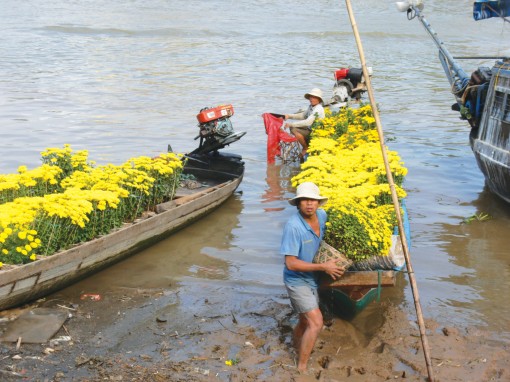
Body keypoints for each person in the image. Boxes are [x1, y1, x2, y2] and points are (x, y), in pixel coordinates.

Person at [280, 182, 345, 372]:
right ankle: (301, 367)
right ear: (298, 203)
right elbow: (290, 263)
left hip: (313, 277)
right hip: (296, 279)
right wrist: (323, 266)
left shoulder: (322, 216)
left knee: (304, 320)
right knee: (316, 322)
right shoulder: (293, 227)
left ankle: (296, 344)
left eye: (313, 200)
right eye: (305, 200)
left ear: (318, 203)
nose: (310, 204)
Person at [284, 88, 325, 158]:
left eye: (314, 97)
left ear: (319, 99)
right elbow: (302, 116)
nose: (311, 99)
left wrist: (291, 124)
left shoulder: (318, 109)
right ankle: (304, 145)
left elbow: (308, 122)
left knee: (293, 129)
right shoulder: (311, 107)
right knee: (293, 128)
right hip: (310, 128)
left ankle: (305, 147)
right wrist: (289, 116)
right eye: (310, 97)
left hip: (315, 132)